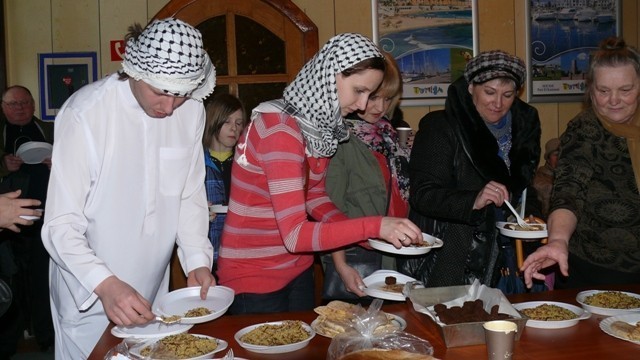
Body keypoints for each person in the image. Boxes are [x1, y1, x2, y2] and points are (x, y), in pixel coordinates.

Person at [41, 18, 216, 358]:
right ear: (134, 71)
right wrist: (105, 284)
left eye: (179, 95)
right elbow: (60, 225)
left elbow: (188, 195)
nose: (169, 107)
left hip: (152, 291)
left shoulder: (191, 110)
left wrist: (196, 258)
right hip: (88, 290)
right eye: (161, 92)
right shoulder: (85, 114)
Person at [216, 33, 423, 315]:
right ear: (328, 75)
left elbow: (315, 197)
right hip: (254, 277)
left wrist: (368, 239)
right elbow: (295, 235)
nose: (363, 105)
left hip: (297, 269)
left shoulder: (318, 127)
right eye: (359, 91)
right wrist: (375, 226)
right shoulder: (280, 128)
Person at [398, 50, 542, 288]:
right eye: (489, 92)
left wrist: (530, 214)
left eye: (507, 95)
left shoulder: (524, 130)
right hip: (451, 253)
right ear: (470, 87)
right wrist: (472, 200)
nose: (498, 103)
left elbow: (524, 188)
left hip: (505, 257)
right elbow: (423, 194)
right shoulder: (440, 127)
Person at [521, 36, 640, 289]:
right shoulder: (584, 129)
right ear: (591, 89)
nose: (614, 100)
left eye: (625, 90)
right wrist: (558, 241)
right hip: (593, 271)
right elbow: (569, 190)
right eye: (604, 91)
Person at [322, 51, 410, 301]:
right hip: (354, 256)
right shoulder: (339, 139)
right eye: (374, 97)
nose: (380, 108)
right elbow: (328, 209)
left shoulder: (388, 136)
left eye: (388, 99)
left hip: (392, 252)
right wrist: (340, 265)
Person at [0, 84, 54, 353]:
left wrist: (59, 161)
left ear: (33, 105)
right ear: (3, 107)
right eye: (13, 104)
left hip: (45, 216)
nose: (19, 108)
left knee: (43, 277)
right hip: (5, 224)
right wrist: (3, 165)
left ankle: (46, 336)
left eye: (24, 102)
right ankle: (11, 341)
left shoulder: (51, 129)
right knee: (11, 280)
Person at [203, 93, 247, 276]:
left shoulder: (247, 164)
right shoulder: (196, 163)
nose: (234, 128)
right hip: (206, 256)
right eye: (227, 121)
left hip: (241, 254)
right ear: (214, 121)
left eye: (238, 123)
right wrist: (197, 212)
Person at [532, 138, 560, 218]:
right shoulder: (538, 180)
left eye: (563, 154)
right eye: (556, 154)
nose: (560, 158)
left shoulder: (572, 177)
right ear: (548, 159)